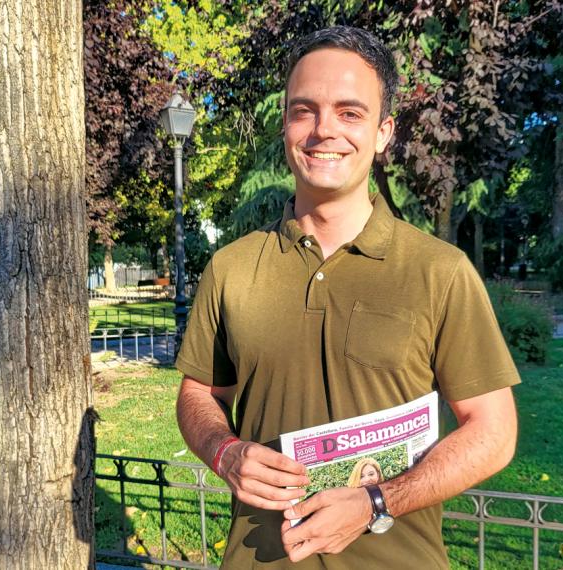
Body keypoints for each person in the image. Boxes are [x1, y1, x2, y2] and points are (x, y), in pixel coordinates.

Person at [175, 25, 520, 569]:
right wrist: (224, 451)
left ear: (383, 133)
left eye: (349, 112)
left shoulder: (440, 271)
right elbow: (200, 394)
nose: (324, 130)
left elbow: (494, 432)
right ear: (285, 124)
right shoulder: (231, 268)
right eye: (304, 110)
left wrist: (376, 502)